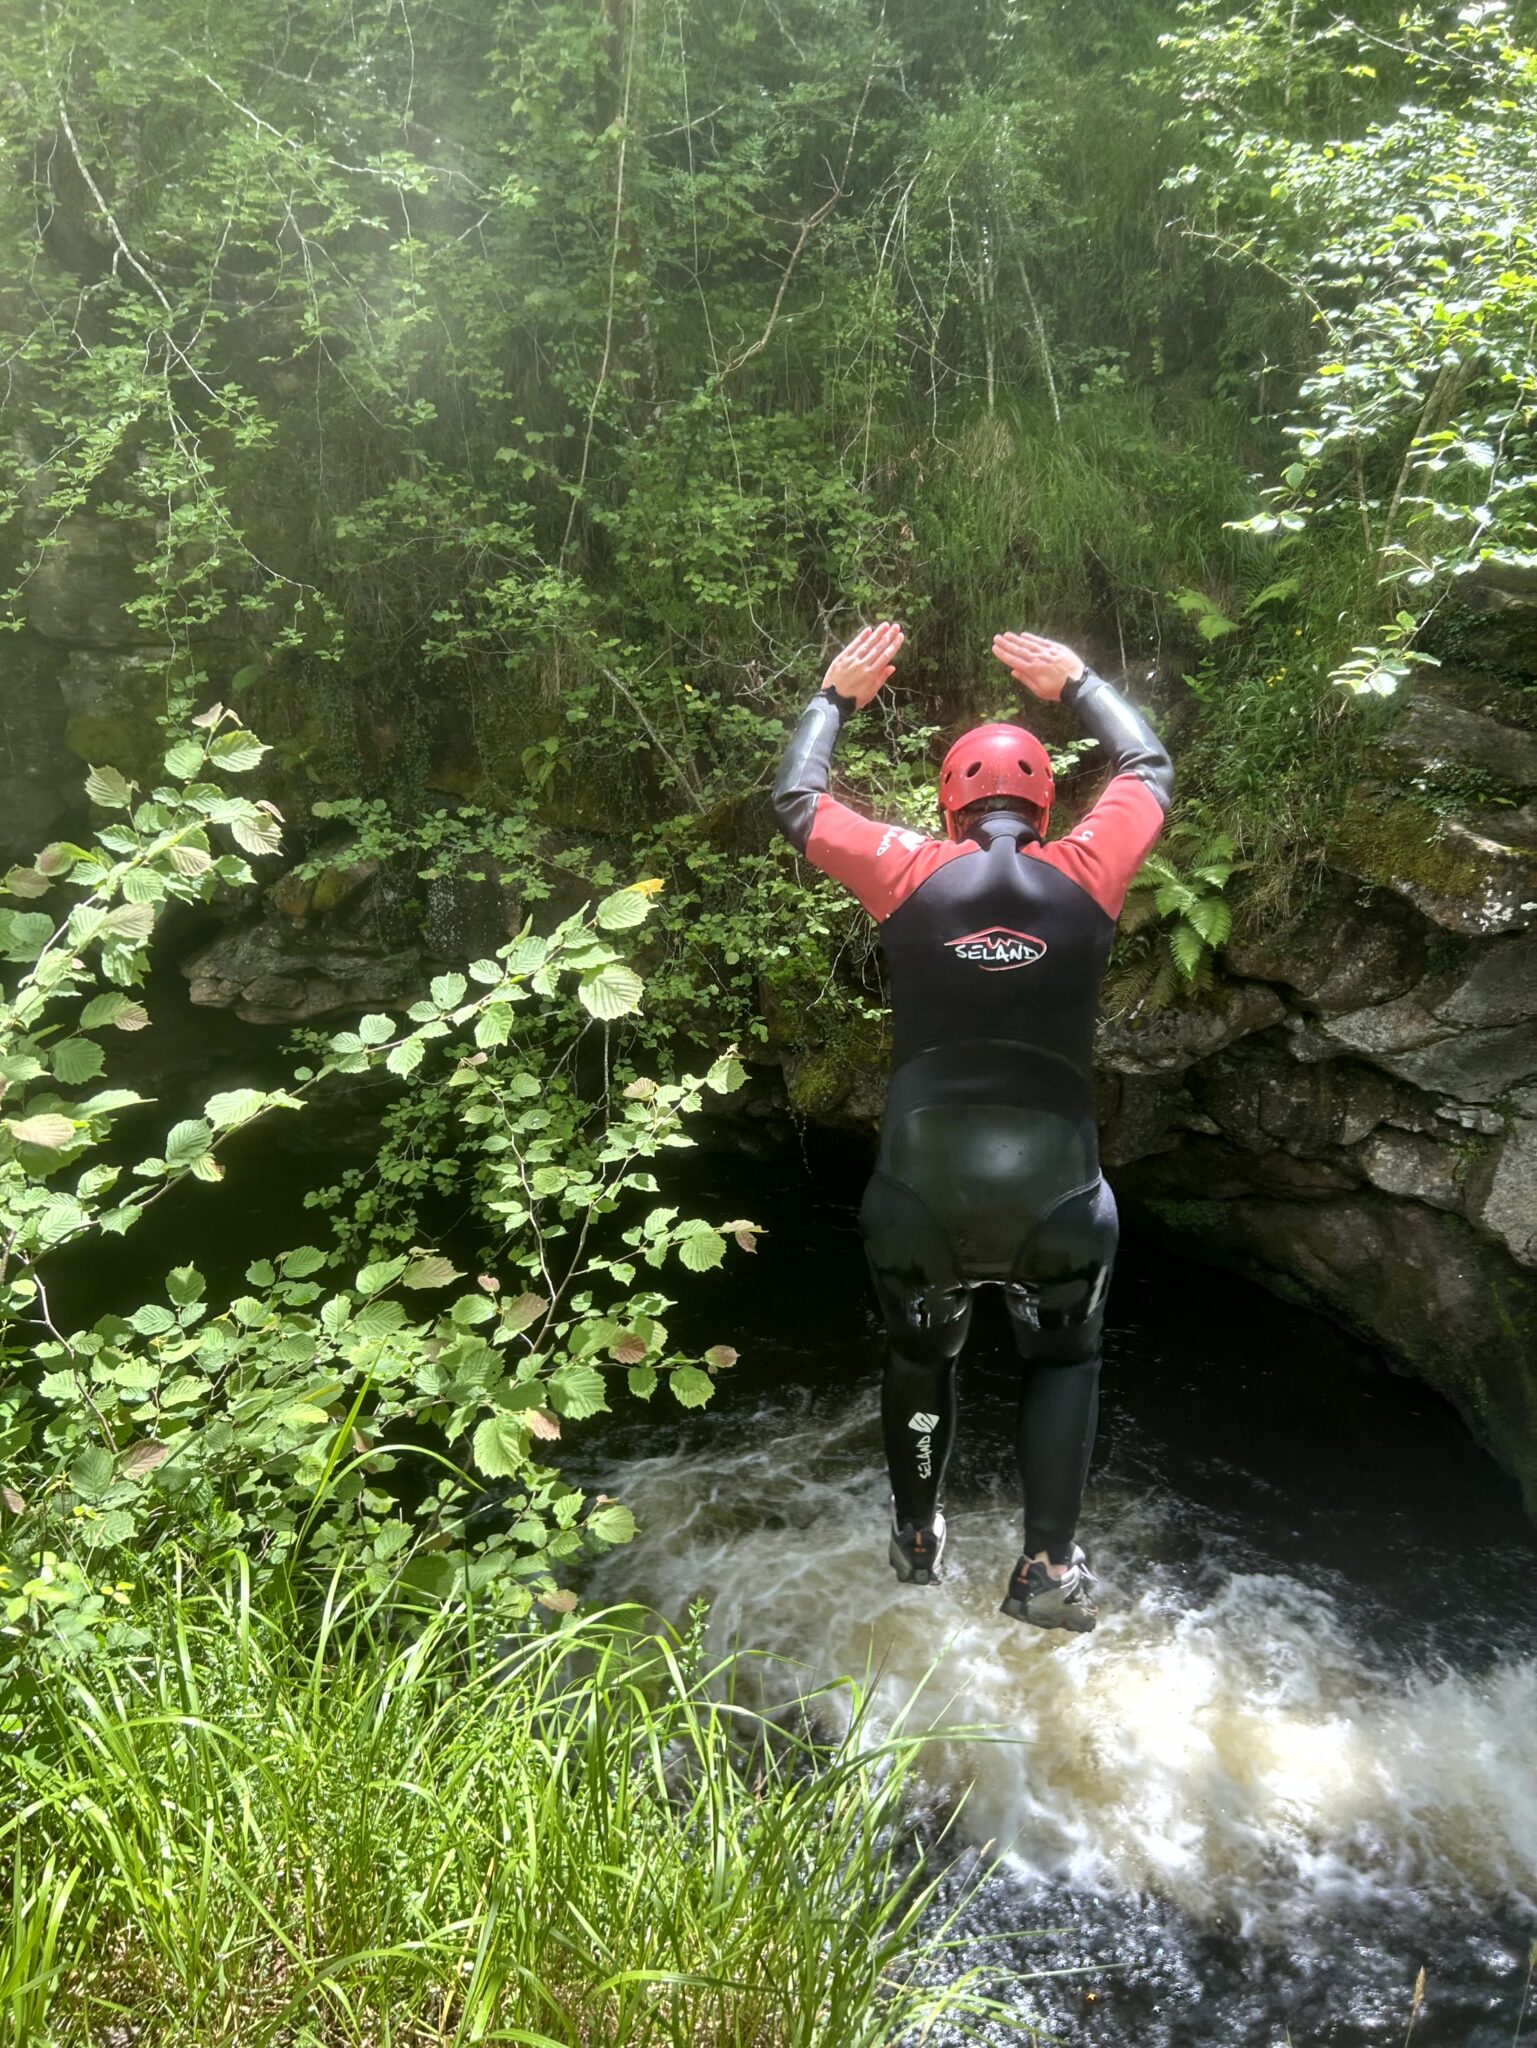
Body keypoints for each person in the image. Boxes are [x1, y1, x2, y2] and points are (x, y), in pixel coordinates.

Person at [771, 621, 1172, 1630]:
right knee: (1064, 1359)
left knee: (920, 1356)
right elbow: (1150, 765)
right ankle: (1046, 1567)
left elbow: (797, 804)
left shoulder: (907, 868)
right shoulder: (1089, 868)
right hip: (1057, 1195)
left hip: (918, 1195)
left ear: (950, 805)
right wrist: (1075, 677)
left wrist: (833, 697)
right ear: (1044, 802)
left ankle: (915, 1535)